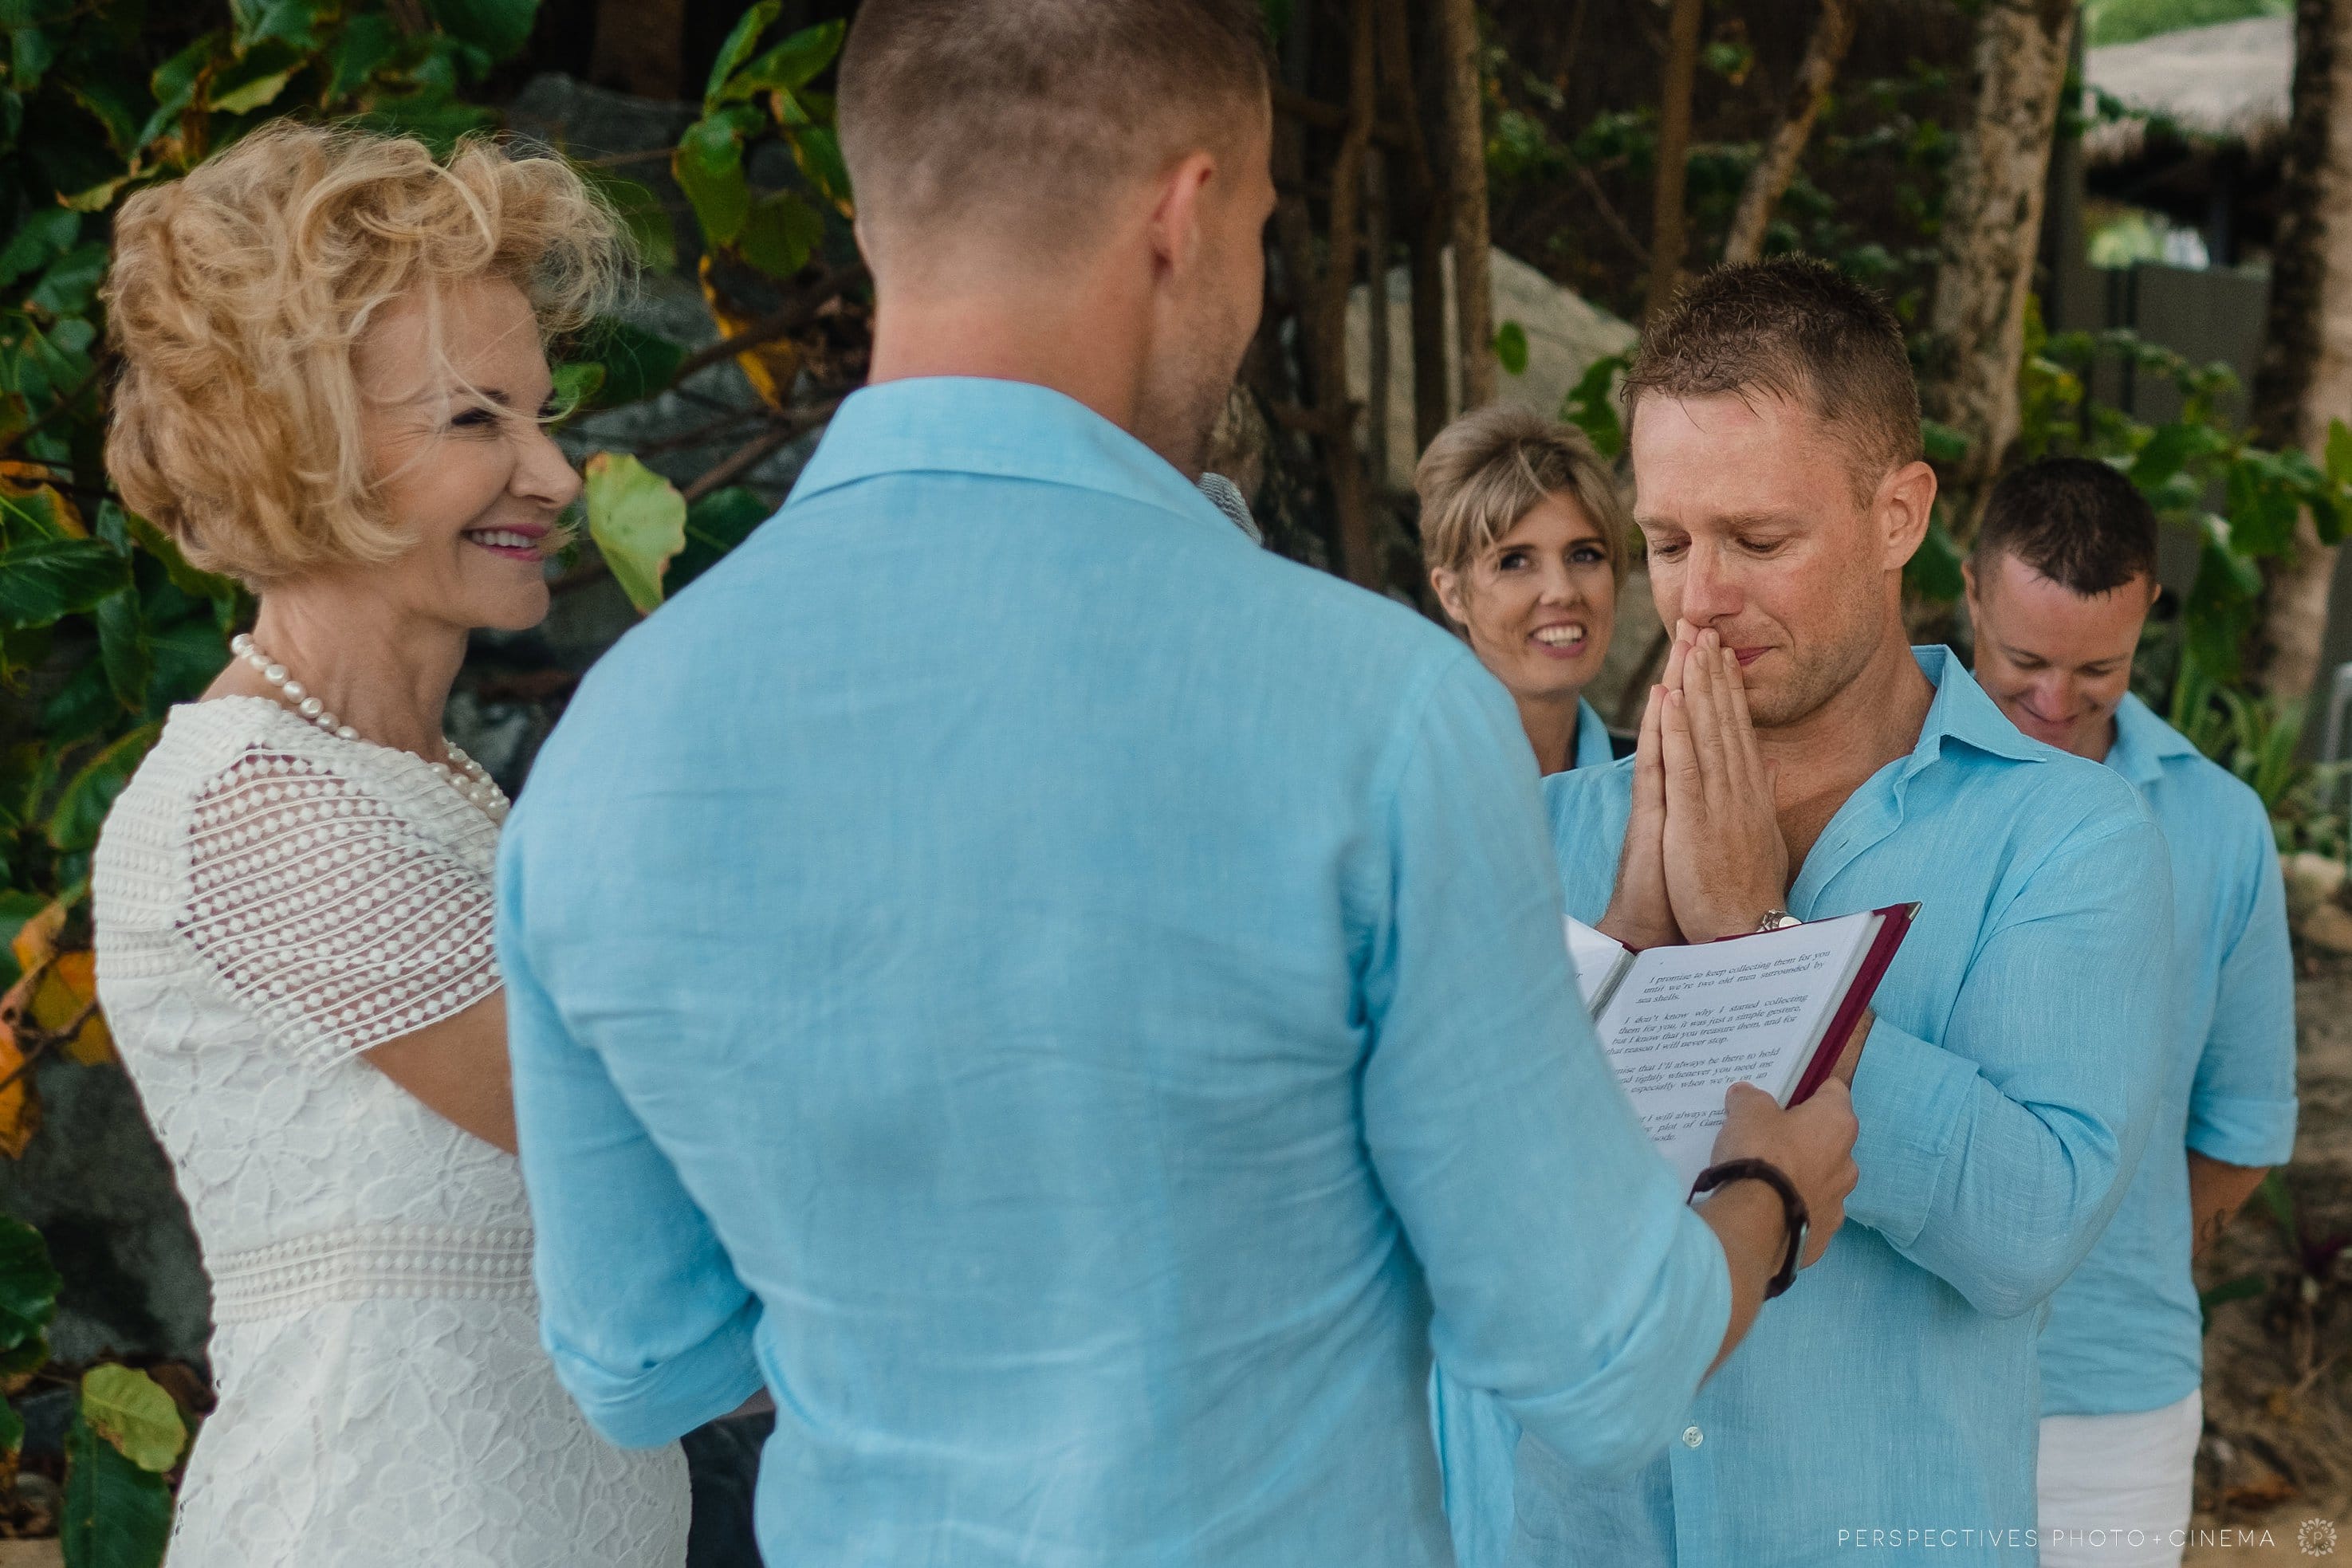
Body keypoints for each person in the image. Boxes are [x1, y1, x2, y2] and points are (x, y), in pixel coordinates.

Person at [494, 4, 1857, 1565]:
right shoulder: (1381, 715)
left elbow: (637, 1356)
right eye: (1267, 223)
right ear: (1188, 211)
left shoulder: (601, 756)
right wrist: (1765, 1185)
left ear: (872, 222)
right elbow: (1596, 1357)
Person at [1434, 258, 2175, 1567]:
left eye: (1759, 540)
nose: (1697, 599)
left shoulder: (2069, 835)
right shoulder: (1539, 837)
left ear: (1899, 516)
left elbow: (2028, 1234)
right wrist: (1620, 942)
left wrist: (1757, 955)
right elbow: (1461, 1232)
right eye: (1666, 542)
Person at [89, 124, 688, 1566]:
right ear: (290, 441)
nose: (550, 472)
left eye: (538, 413)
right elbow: (651, 1129)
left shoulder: (424, 787)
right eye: (476, 420)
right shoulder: (256, 806)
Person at [1964, 458, 2295, 1568]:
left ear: (2148, 609)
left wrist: (2108, 1244)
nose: (2056, 702)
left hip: (2115, 1402)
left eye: (2096, 668)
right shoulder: (1861, 778)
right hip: (1881, 1377)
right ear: (1969, 593)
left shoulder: (2220, 821)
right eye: (2022, 662)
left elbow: (2241, 1124)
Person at [1418, 406, 1631, 772]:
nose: (1562, 591)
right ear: (1452, 595)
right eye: (1514, 561)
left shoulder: (1655, 779)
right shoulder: (1410, 785)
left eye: (1584, 555)